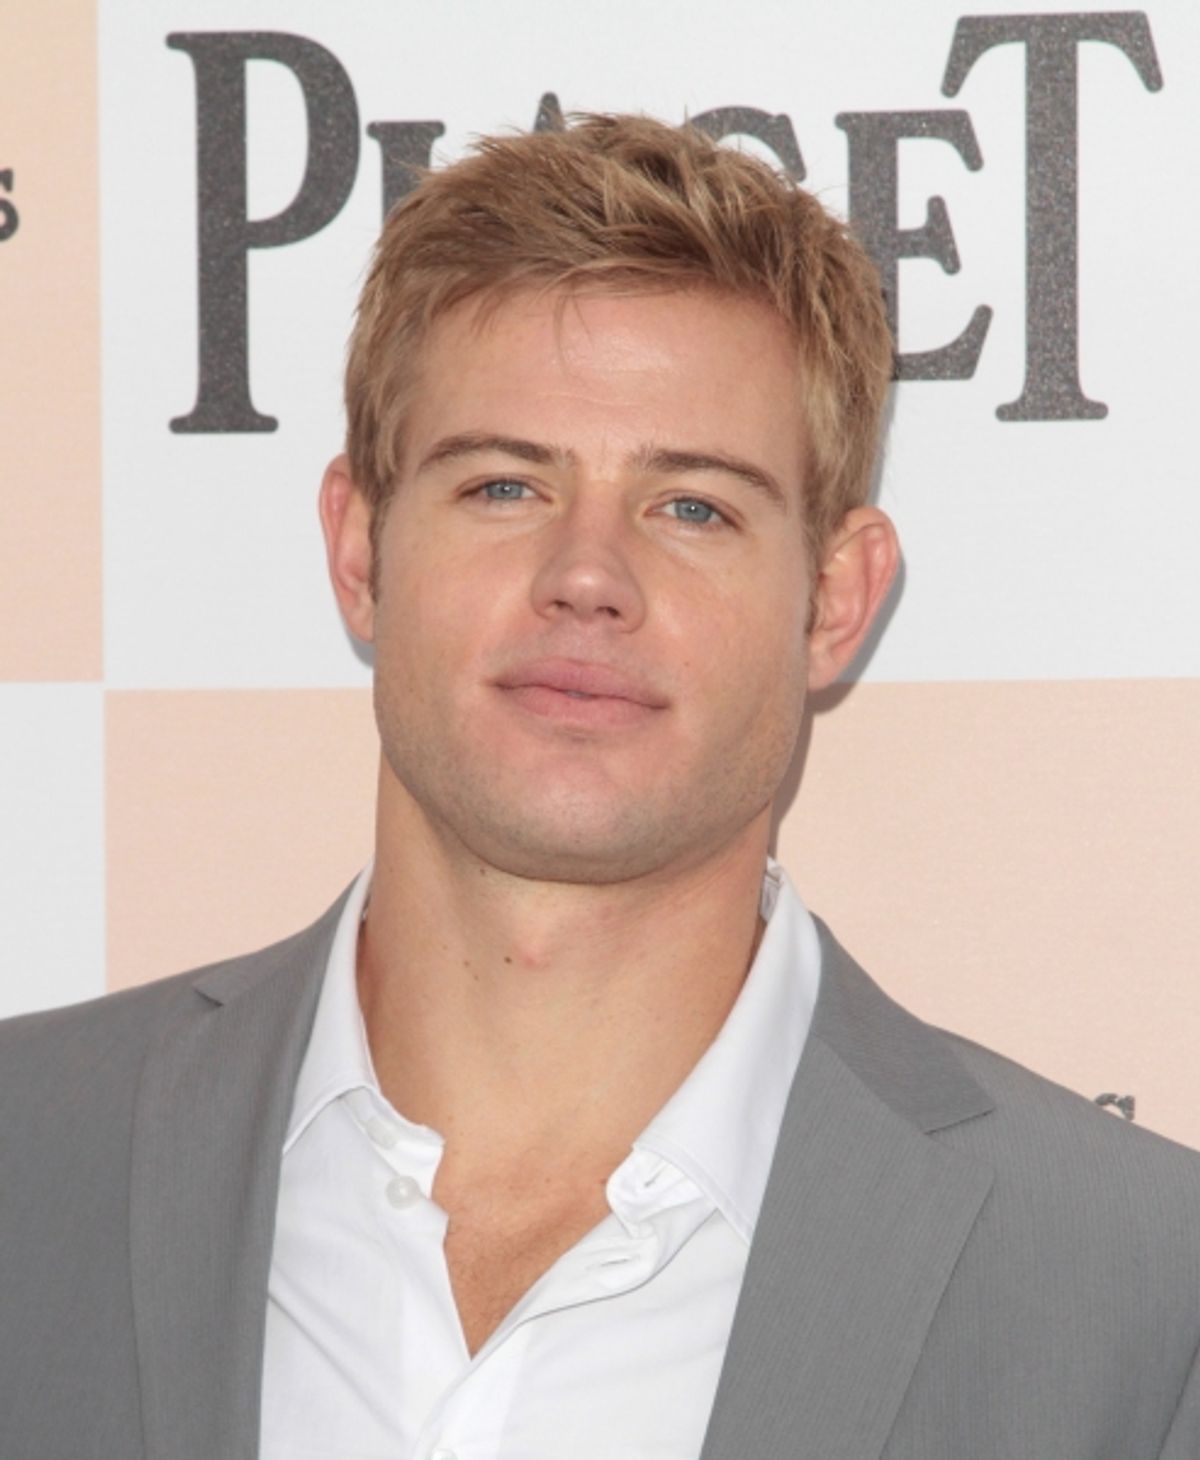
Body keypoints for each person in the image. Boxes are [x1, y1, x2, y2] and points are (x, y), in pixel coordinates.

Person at [1, 113, 1197, 1460]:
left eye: (693, 507)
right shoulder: (26, 1161)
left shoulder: (1144, 1301)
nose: (587, 574)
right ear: (357, 549)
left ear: (836, 600)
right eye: (505, 484)